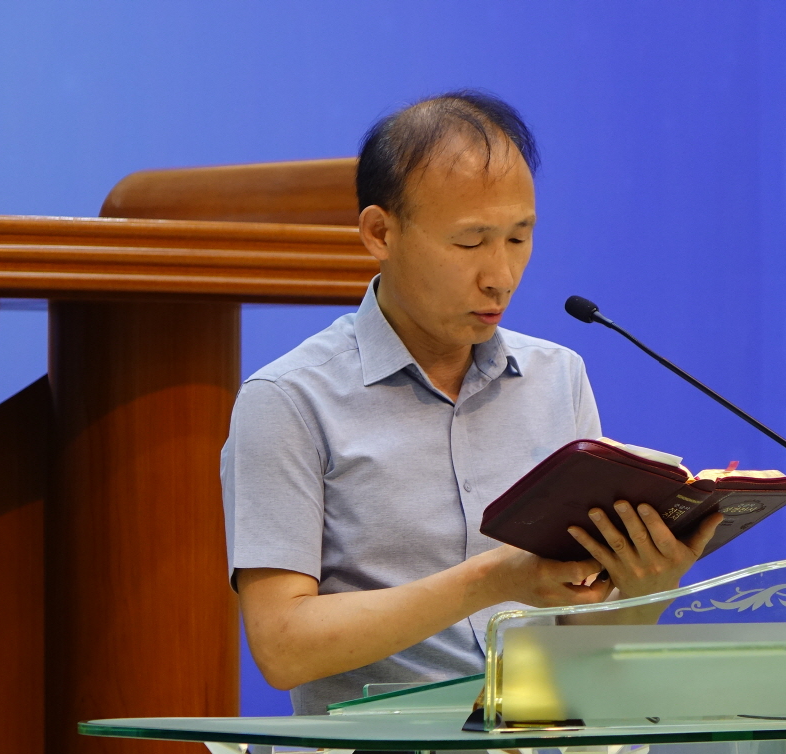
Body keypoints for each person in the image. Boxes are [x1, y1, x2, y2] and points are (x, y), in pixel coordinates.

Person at [221, 91, 723, 717]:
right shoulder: (290, 400)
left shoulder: (558, 377)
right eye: (470, 242)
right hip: (382, 749)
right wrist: (490, 581)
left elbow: (583, 642)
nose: (501, 276)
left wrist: (647, 588)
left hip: (540, 741)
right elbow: (282, 647)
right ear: (380, 233)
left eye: (518, 238)